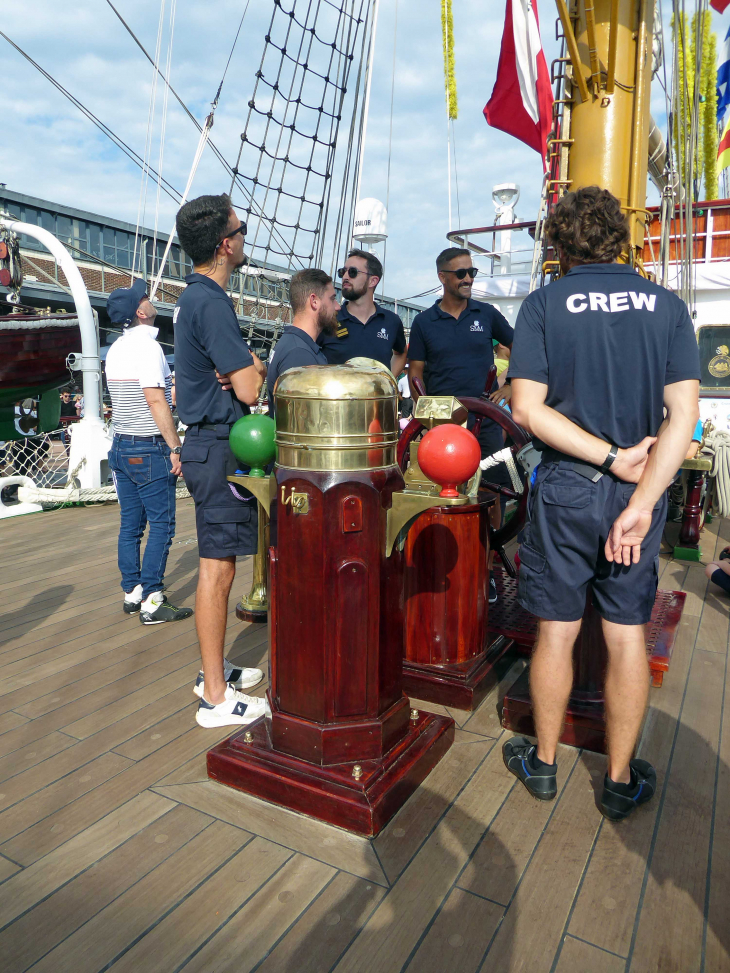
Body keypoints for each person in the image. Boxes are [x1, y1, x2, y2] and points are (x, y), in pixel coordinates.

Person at [503, 186, 700, 821]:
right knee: (626, 637)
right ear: (622, 238)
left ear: (560, 244)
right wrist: (640, 498)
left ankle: (544, 764)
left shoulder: (541, 306)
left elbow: (527, 410)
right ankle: (618, 781)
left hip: (566, 488)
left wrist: (606, 457)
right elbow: (683, 418)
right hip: (636, 491)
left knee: (555, 633)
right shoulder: (666, 307)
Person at [174, 193, 268, 729]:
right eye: (241, 228)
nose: (244, 236)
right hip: (217, 445)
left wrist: (235, 369)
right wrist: (250, 362)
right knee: (218, 568)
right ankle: (214, 697)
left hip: (206, 443)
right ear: (225, 244)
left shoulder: (194, 299)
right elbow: (252, 389)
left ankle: (216, 670)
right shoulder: (211, 302)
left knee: (221, 563)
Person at [407, 247, 516, 604]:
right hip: (443, 427)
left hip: (486, 422)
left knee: (494, 491)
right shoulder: (423, 323)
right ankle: (444, 566)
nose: (469, 278)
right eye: (461, 273)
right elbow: (416, 373)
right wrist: (424, 413)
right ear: (442, 278)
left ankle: (487, 570)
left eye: (472, 272)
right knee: (440, 493)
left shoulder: (487, 315)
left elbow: (520, 347)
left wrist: (511, 384)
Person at [105, 278, 194, 626]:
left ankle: (133, 592)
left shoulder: (115, 350)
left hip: (121, 445)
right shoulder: (149, 349)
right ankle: (154, 600)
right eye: (146, 297)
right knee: (161, 524)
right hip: (148, 447)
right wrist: (175, 447)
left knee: (130, 526)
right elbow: (157, 400)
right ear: (141, 312)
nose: (151, 298)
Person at [318, 249, 407, 373]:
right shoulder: (328, 319)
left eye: (352, 272)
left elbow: (400, 354)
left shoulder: (392, 321)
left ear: (373, 281)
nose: (345, 277)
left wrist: (388, 381)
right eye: (343, 272)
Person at [266, 269, 337, 417]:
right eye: (332, 299)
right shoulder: (299, 353)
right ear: (314, 301)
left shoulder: (294, 345)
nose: (337, 306)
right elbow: (305, 423)